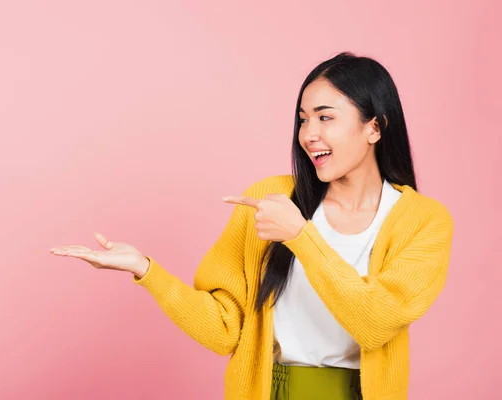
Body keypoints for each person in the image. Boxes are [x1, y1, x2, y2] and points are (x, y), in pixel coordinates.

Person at [50, 52, 454, 400]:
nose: (309, 135)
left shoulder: (423, 221)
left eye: (325, 117)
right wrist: (147, 271)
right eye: (303, 119)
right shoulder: (270, 201)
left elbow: (375, 323)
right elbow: (226, 330)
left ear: (375, 128)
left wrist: (300, 236)